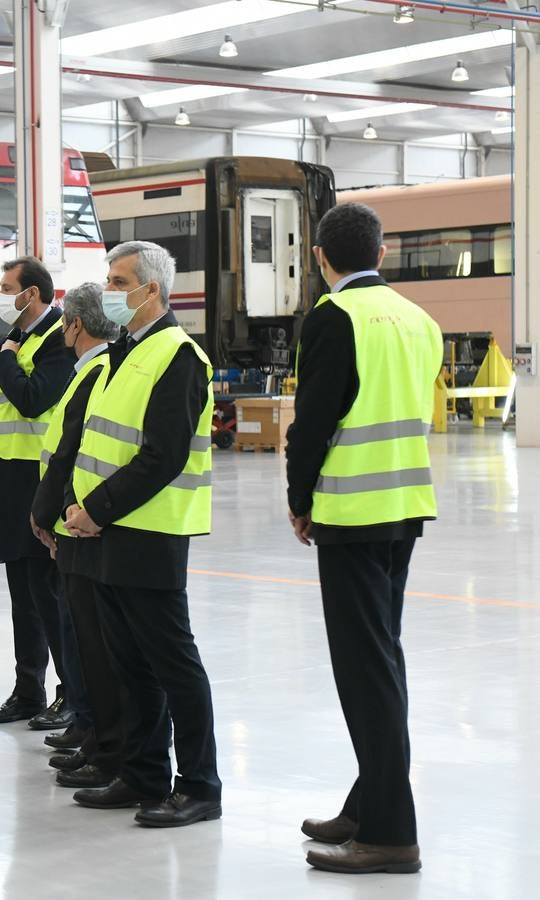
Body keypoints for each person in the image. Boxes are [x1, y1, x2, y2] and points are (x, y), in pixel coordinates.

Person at [286, 202, 441, 875]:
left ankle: (391, 833)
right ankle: (366, 799)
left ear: (322, 258)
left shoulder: (334, 318)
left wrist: (299, 502)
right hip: (405, 507)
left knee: (367, 671)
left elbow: (311, 426)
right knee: (382, 659)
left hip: (350, 515)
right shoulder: (419, 319)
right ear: (382, 253)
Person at [60, 241, 222, 828]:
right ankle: (144, 773)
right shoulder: (127, 353)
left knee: (173, 665)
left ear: (151, 290)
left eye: (119, 280)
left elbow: (162, 456)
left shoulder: (178, 357)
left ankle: (200, 785)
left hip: (148, 533)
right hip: (106, 531)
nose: (110, 290)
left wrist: (95, 508)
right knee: (130, 665)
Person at [30, 283, 125, 790]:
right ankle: (91, 730)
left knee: (88, 637)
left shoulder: (95, 372)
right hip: (75, 518)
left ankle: (95, 731)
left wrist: (46, 514)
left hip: (81, 521)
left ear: (74, 326)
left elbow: (70, 449)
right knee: (80, 633)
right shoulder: (92, 371)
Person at [0, 257, 77, 730]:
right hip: (12, 478)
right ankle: (28, 690)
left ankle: (71, 692)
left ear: (32, 293)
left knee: (49, 592)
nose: (1, 295)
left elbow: (35, 398)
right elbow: (6, 412)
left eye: (6, 287)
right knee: (23, 592)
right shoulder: (20, 338)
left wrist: (2, 361)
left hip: (43, 479)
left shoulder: (58, 338)